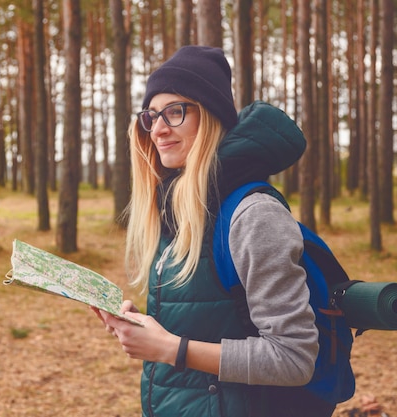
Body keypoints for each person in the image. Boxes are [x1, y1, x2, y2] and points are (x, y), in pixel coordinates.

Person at [93, 45, 320, 417]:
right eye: (151, 116)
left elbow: (294, 358)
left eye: (175, 112)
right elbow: (205, 319)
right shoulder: (179, 210)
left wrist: (171, 348)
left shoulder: (253, 216)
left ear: (212, 117)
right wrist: (145, 328)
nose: (159, 128)